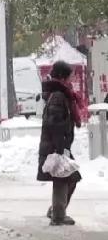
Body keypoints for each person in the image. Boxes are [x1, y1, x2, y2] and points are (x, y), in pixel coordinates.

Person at [38, 60, 84, 226]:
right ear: (63, 77)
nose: (72, 79)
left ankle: (57, 211)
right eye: (70, 75)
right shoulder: (59, 96)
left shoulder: (62, 93)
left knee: (69, 177)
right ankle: (58, 215)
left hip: (59, 144)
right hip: (56, 145)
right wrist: (60, 148)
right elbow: (55, 123)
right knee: (63, 178)